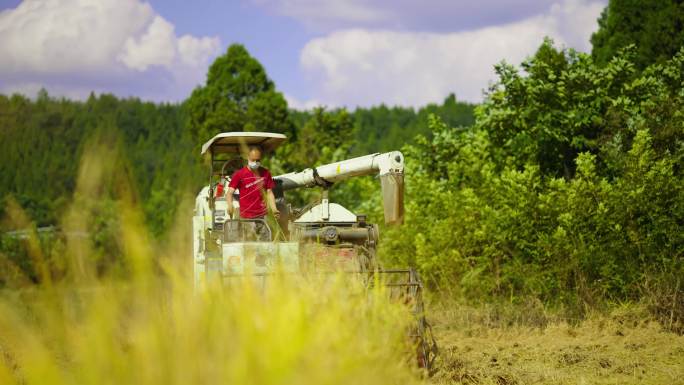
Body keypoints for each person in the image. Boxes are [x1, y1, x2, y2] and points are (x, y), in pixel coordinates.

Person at [226, 146, 279, 240]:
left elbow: (269, 192)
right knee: (249, 244)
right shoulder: (239, 174)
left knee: (265, 244)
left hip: (263, 216)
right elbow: (229, 193)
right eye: (253, 160)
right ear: (248, 157)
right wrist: (230, 206)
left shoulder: (266, 173)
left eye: (257, 160)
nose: (255, 162)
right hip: (247, 217)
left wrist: (274, 209)